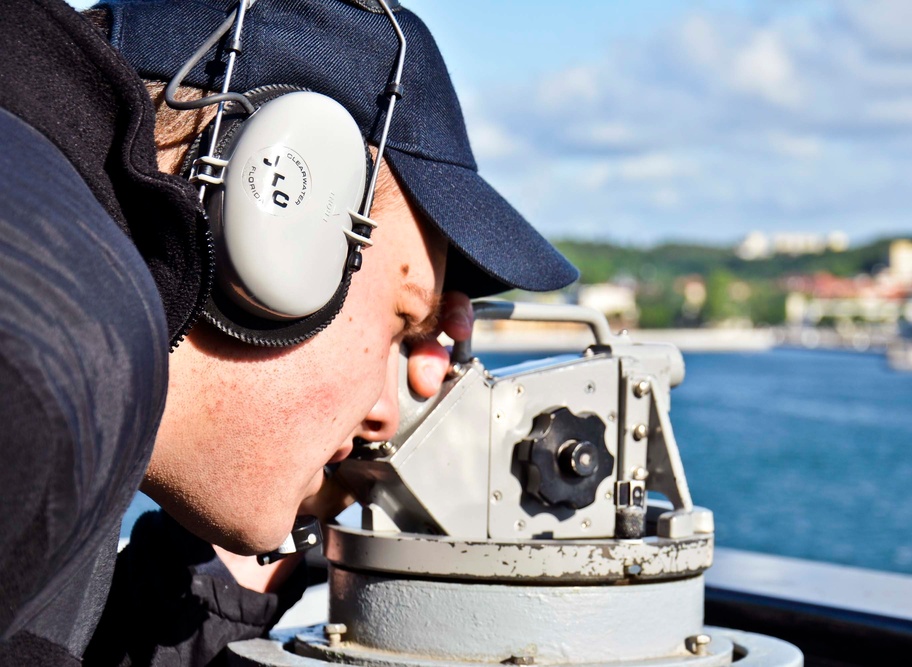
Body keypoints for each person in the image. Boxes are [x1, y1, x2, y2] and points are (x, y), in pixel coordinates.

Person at [0, 0, 578, 665]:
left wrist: (245, 557)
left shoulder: (60, 302)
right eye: (401, 322)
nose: (385, 414)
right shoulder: (39, 368)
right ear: (278, 205)